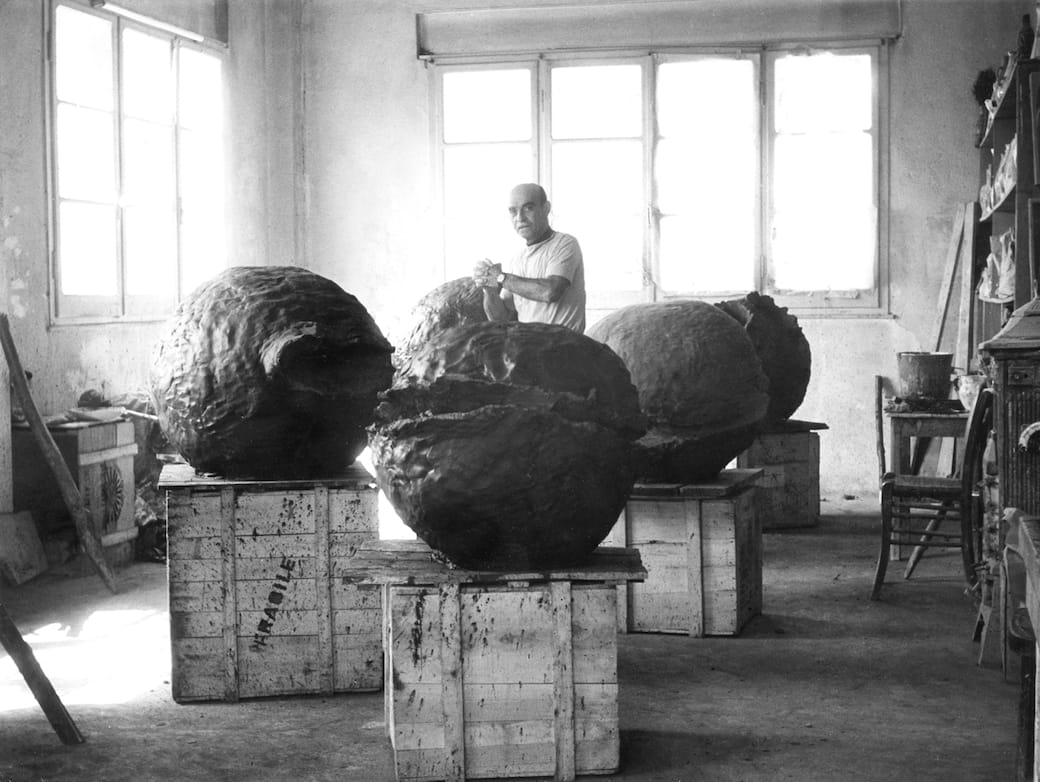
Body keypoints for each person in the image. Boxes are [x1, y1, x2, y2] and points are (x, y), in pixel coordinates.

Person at [472, 183, 586, 333]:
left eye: (528, 208)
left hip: (564, 347)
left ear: (546, 209)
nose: (520, 218)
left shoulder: (565, 243)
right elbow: (501, 320)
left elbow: (551, 291)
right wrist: (490, 291)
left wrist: (500, 277)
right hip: (529, 347)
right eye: (513, 211)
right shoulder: (516, 260)